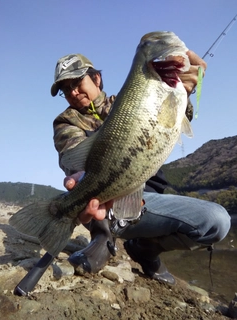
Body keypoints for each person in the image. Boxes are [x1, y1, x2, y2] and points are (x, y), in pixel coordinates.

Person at [51, 52, 231, 285]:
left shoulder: (126, 102)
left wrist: (182, 92)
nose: (72, 92)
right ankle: (103, 236)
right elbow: (72, 156)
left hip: (148, 197)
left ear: (96, 79)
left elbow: (172, 119)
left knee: (216, 221)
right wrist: (80, 175)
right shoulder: (66, 121)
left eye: (76, 83)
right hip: (106, 205)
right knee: (92, 202)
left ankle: (145, 248)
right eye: (65, 90)